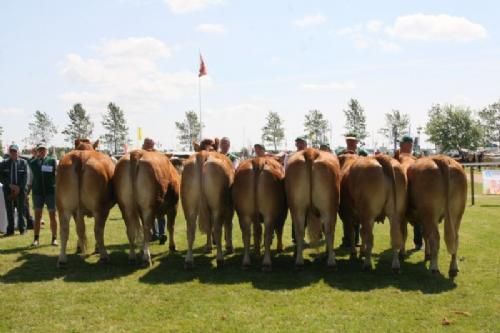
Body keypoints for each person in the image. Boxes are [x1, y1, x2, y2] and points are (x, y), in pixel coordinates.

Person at [336, 133, 367, 248]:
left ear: (356, 143)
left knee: (357, 215)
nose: (351, 143)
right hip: (344, 188)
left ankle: (355, 239)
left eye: (353, 142)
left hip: (358, 188)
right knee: (346, 214)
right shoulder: (341, 155)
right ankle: (348, 239)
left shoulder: (361, 155)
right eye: (349, 142)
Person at [397, 134, 424, 250]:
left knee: (405, 218)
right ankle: (415, 243)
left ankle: (409, 243)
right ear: (402, 145)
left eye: (410, 145)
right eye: (407, 145)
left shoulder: (413, 159)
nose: (409, 147)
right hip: (411, 193)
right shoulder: (412, 160)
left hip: (405, 194)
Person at [29, 143, 58, 246]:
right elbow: (30, 179)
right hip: (37, 193)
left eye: (43, 149)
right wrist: (28, 191)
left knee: (52, 216)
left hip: (51, 192)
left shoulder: (52, 161)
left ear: (46, 150)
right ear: (37, 151)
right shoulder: (32, 163)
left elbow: (57, 175)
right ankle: (36, 239)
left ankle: (54, 238)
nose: (42, 151)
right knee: (37, 216)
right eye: (40, 150)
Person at [141, 137, 167, 244]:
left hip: (157, 187)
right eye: (149, 144)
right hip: (147, 188)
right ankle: (156, 233)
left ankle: (160, 233)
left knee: (158, 212)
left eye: (151, 143)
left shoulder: (155, 155)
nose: (151, 146)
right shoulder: (142, 154)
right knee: (154, 212)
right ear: (144, 144)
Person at [0, 144, 29, 236]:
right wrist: (9, 185)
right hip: (8, 190)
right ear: (9, 152)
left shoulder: (23, 162)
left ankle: (22, 229)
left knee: (21, 210)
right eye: (11, 151)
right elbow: (1, 176)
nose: (13, 153)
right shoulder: (3, 163)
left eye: (15, 151)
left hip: (21, 191)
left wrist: (19, 187)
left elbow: (25, 177)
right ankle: (10, 230)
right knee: (9, 210)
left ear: (18, 152)